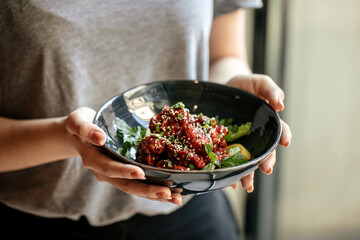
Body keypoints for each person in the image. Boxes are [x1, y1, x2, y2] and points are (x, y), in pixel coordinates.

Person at [0, 0, 292, 239]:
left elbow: (224, 53)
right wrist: (65, 137)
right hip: (36, 218)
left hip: (190, 215)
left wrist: (232, 93)